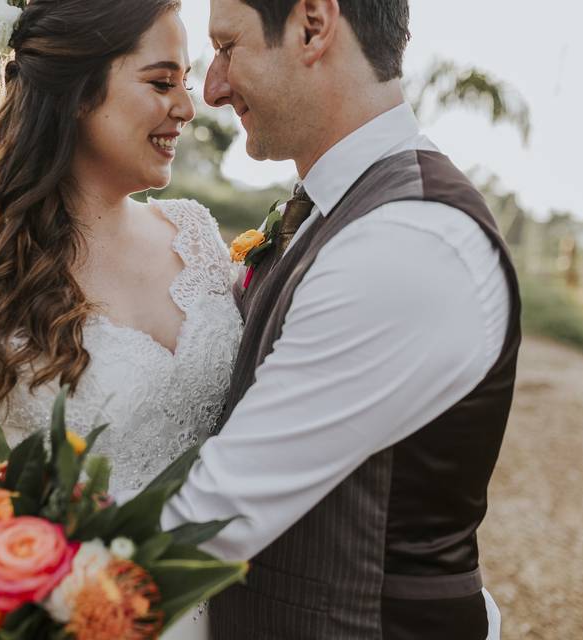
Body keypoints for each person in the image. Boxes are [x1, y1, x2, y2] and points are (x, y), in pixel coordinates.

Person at [160, 1, 518, 638]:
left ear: (313, 25)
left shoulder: (408, 239)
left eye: (227, 46)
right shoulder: (331, 213)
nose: (211, 88)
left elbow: (216, 515)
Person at [0, 1, 234, 636]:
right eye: (162, 83)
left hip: (242, 605)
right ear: (79, 93)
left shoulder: (197, 235)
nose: (187, 108)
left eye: (185, 84)